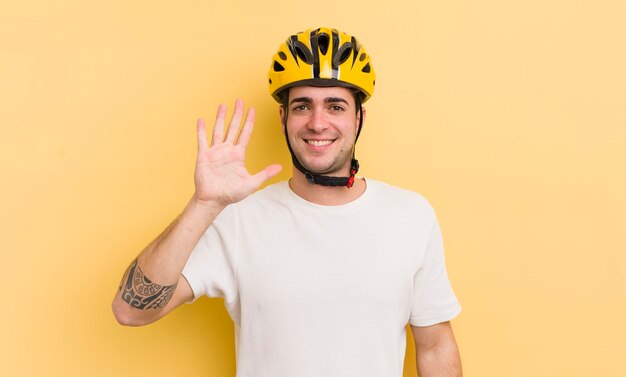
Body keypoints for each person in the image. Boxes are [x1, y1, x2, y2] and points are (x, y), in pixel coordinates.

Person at [112, 27, 462, 377]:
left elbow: (434, 347)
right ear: (283, 119)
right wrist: (203, 204)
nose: (317, 122)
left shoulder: (410, 216)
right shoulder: (239, 220)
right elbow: (131, 311)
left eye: (335, 106)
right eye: (302, 106)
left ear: (359, 118)